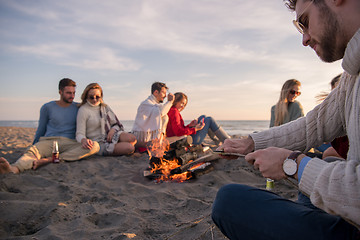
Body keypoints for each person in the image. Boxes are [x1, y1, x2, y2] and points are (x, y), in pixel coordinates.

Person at [212, 0, 360, 239]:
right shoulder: (352, 75)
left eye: (305, 22)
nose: (305, 39)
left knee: (229, 201)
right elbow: (313, 126)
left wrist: (291, 164)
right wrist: (250, 142)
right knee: (309, 186)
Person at [0, 78, 100, 174]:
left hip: (70, 143)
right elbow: (41, 130)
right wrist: (33, 145)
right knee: (31, 153)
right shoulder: (47, 107)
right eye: (69, 93)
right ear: (60, 92)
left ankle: (50, 159)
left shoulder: (80, 108)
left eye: (74, 93)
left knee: (94, 146)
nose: (72, 96)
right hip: (49, 142)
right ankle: (13, 169)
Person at [76, 83, 136, 156]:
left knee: (132, 138)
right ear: (86, 96)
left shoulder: (105, 107)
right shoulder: (83, 110)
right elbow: (79, 134)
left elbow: (116, 124)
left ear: (101, 96)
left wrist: (113, 130)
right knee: (130, 148)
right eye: (91, 97)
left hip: (111, 136)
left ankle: (120, 146)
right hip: (98, 142)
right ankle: (119, 148)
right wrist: (83, 140)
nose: (95, 99)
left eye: (97, 97)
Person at [131, 82, 174, 149]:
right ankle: (158, 144)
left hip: (149, 138)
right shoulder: (146, 103)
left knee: (165, 117)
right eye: (163, 93)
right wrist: (170, 102)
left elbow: (161, 111)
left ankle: (159, 143)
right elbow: (161, 113)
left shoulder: (156, 105)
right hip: (141, 138)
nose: (165, 96)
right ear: (156, 92)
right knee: (164, 117)